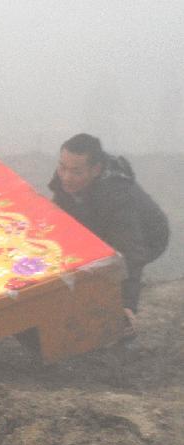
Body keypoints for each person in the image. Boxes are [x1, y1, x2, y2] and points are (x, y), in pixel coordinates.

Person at [49, 133, 169, 338]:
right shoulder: (68, 175)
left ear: (96, 170)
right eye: (62, 167)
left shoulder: (116, 196)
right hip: (97, 222)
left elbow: (131, 253)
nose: (66, 177)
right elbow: (60, 211)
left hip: (147, 237)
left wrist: (127, 304)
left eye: (76, 171)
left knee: (107, 267)